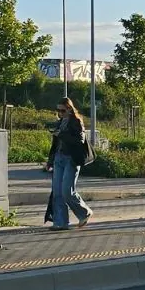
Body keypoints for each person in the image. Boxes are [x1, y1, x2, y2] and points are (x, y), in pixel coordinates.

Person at [44, 97, 93, 231]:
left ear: (69, 108)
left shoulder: (76, 121)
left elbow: (80, 140)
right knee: (57, 192)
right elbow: (55, 144)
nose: (60, 113)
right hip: (58, 158)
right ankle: (60, 222)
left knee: (67, 191)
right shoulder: (60, 122)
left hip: (71, 159)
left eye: (63, 110)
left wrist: (62, 134)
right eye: (58, 110)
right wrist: (50, 161)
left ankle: (84, 212)